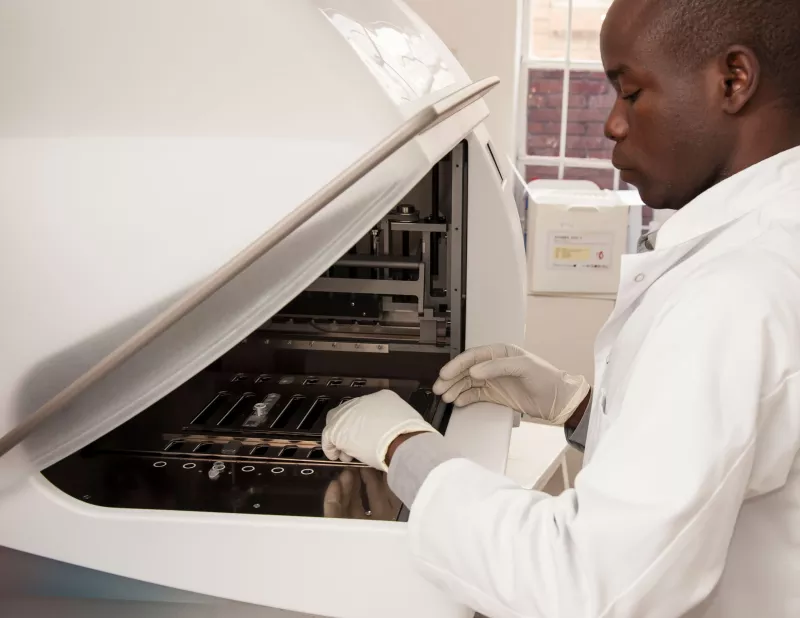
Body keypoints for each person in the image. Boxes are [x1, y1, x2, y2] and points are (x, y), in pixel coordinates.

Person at [322, 0, 800, 615]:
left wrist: (405, 451)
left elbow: (583, 584)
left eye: (630, 93)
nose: (611, 126)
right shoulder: (771, 240)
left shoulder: (734, 291)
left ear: (733, 80)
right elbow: (732, 457)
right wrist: (577, 410)